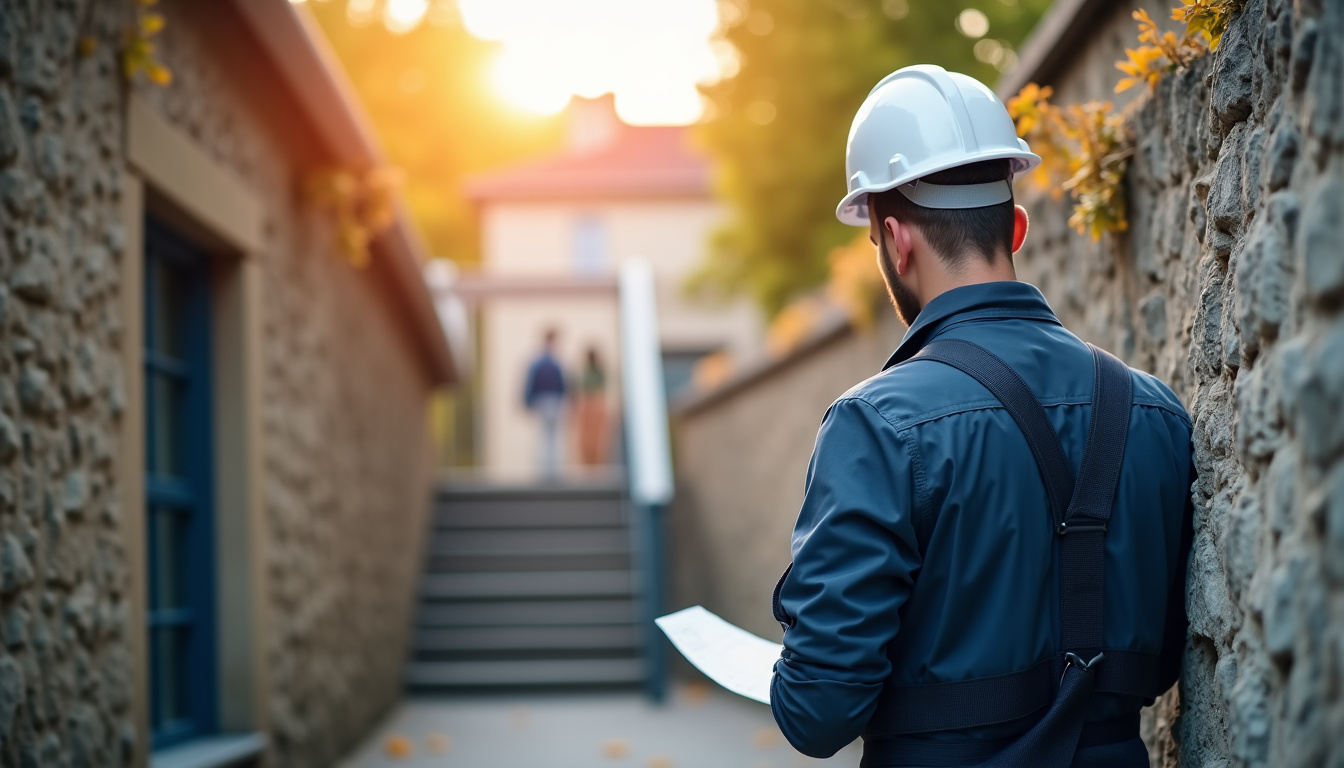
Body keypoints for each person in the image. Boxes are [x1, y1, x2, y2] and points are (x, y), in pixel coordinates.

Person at [769, 65, 1194, 767]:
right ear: (1016, 226)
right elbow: (1159, 662)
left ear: (896, 239)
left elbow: (815, 716)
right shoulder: (1155, 413)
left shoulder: (876, 428)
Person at [523, 328, 567, 478]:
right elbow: (562, 385)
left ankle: (548, 471)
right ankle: (548, 471)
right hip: (550, 401)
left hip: (546, 401)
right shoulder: (554, 362)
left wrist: (528, 401)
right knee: (549, 437)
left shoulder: (542, 362)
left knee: (547, 437)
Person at [574, 346, 610, 466]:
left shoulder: (597, 372)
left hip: (594, 405)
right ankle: (588, 463)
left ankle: (596, 463)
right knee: (587, 438)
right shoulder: (586, 372)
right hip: (589, 405)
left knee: (596, 438)